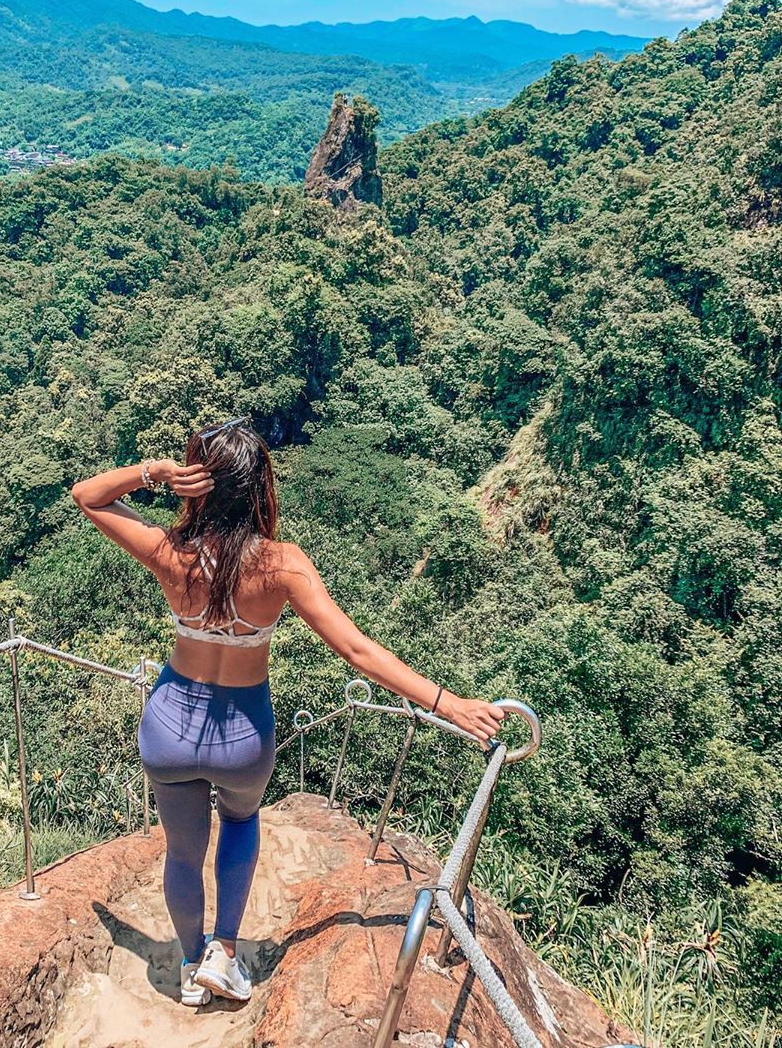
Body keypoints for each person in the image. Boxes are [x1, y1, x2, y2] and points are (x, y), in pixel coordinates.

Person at [71, 418, 506, 1008]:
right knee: (241, 824)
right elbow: (356, 650)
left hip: (168, 724)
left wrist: (155, 474)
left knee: (180, 851)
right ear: (259, 490)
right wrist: (446, 703)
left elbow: (87, 495)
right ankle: (224, 955)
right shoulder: (281, 565)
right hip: (243, 736)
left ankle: (189, 962)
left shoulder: (170, 553)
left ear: (199, 485)